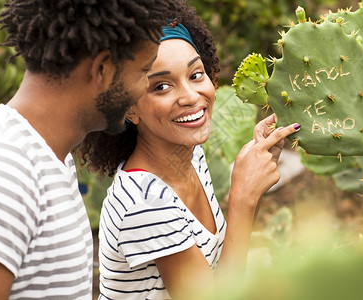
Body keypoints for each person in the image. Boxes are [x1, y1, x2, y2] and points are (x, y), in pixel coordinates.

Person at [76, 3, 301, 299]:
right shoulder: (146, 204)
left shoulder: (189, 153)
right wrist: (242, 197)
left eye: (196, 75)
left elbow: (222, 258)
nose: (191, 96)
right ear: (128, 108)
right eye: (161, 87)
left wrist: (253, 183)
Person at [0, 0, 181, 299]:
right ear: (103, 69)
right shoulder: (2, 172)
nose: (141, 90)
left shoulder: (48, 156)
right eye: (143, 71)